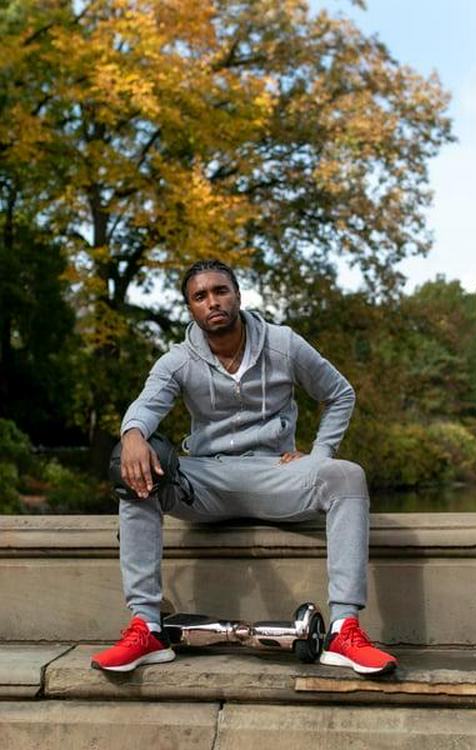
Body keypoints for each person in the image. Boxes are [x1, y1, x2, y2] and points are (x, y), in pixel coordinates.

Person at [92, 259, 397, 676]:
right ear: (191, 308)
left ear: (237, 295)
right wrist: (131, 435)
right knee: (133, 475)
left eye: (220, 291)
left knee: (347, 475)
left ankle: (344, 631)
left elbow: (339, 393)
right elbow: (145, 407)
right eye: (200, 296)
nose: (212, 302)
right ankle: (147, 628)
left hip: (276, 474)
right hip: (207, 481)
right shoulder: (178, 361)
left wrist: (320, 454)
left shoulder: (283, 344)